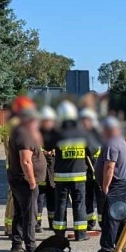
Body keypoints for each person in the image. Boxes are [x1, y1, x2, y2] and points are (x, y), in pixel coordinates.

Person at [7, 103, 44, 252]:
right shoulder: (25, 135)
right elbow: (26, 161)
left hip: (17, 179)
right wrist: (32, 182)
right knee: (29, 215)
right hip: (24, 181)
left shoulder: (21, 132)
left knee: (20, 214)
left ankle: (16, 246)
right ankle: (31, 249)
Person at [48, 100, 89, 241]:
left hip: (61, 176)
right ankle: (81, 234)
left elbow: (47, 146)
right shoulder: (82, 132)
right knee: (79, 204)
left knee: (60, 205)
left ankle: (59, 235)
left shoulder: (57, 132)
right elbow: (92, 150)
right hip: (79, 177)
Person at [96, 116, 126, 252]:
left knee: (111, 216)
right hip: (121, 184)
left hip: (116, 185)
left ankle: (107, 248)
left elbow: (109, 167)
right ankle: (120, 245)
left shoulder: (112, 143)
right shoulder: (120, 141)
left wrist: (105, 186)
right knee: (119, 215)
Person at [80, 107, 103, 232]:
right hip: (87, 171)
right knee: (88, 197)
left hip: (96, 170)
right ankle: (90, 221)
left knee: (100, 198)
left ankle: (102, 221)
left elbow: (92, 149)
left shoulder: (95, 133)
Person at [37, 106, 57, 232]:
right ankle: (37, 224)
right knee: (39, 199)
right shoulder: (37, 132)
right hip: (41, 170)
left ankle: (52, 222)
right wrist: (43, 152)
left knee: (52, 198)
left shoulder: (56, 132)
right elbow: (35, 146)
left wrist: (55, 150)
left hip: (53, 170)